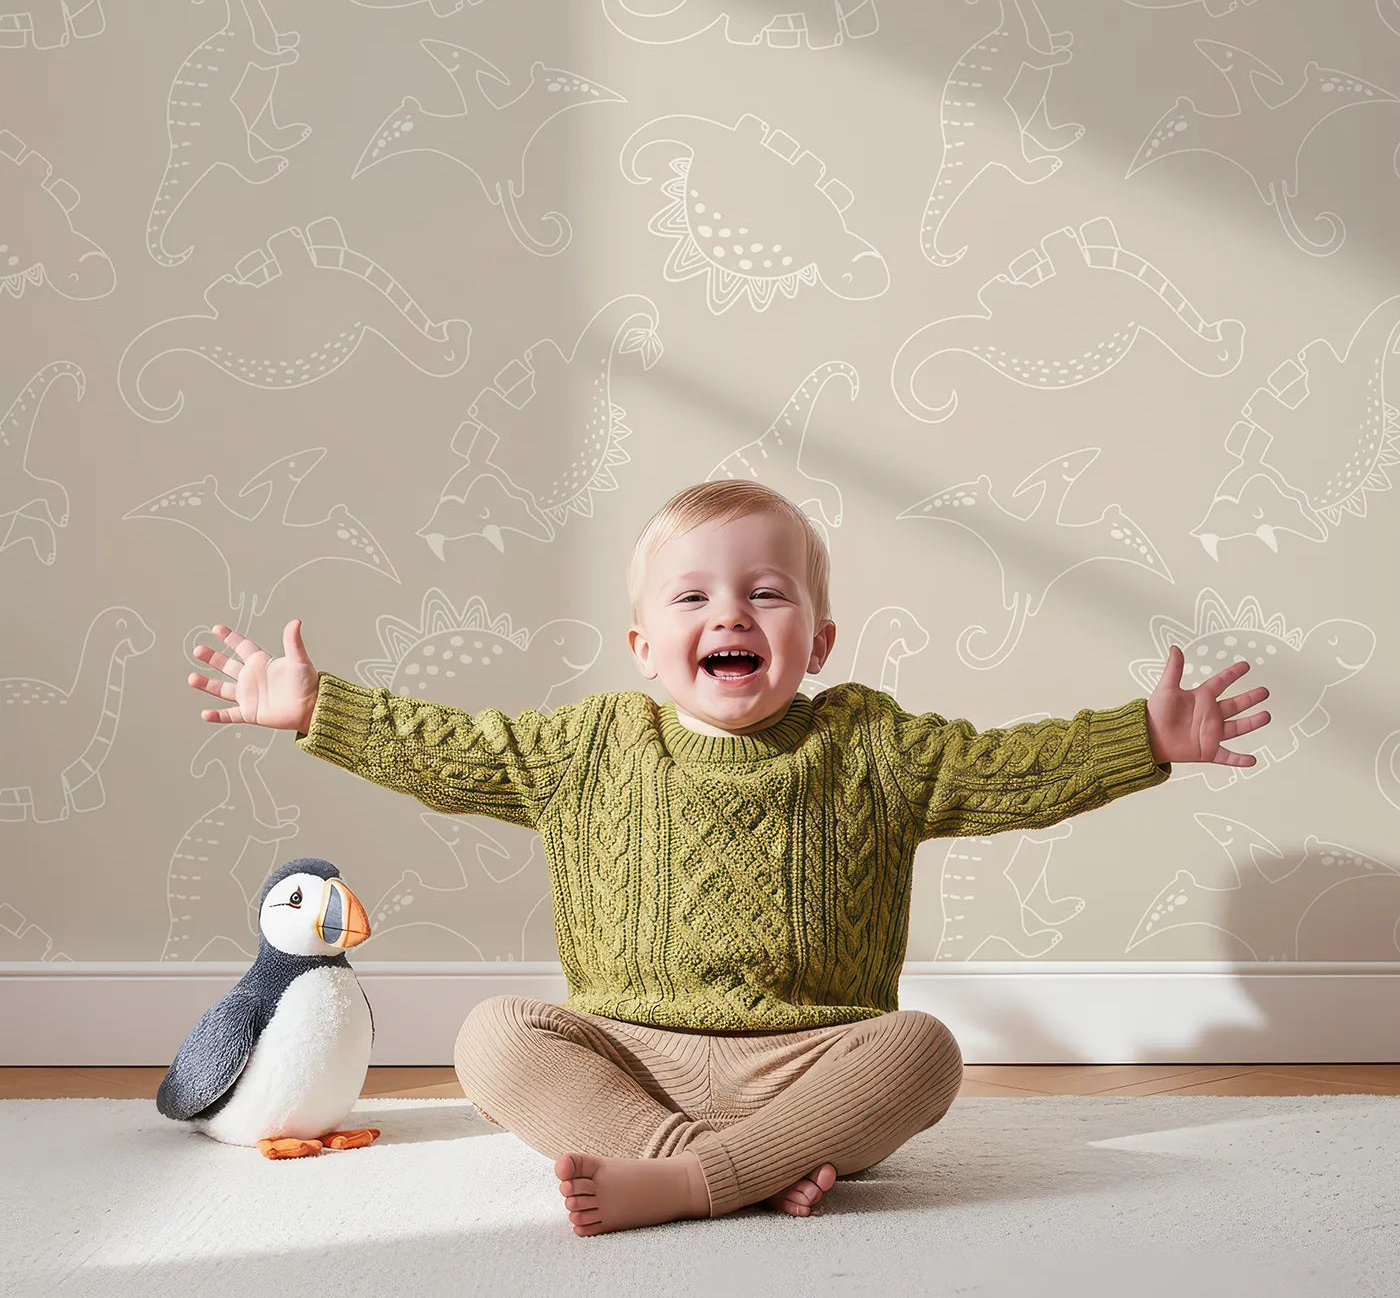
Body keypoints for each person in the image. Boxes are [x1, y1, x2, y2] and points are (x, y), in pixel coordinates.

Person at [185, 478, 1270, 1237]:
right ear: (644, 646)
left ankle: (693, 1177)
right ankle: (717, 1169)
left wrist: (1144, 737)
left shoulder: (869, 744)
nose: (730, 612)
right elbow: (452, 750)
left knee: (924, 1049)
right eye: (693, 595)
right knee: (492, 1036)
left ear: (819, 639)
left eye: (765, 591)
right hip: (626, 1057)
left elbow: (1010, 767)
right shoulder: (590, 746)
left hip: (807, 1065)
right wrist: (317, 707)